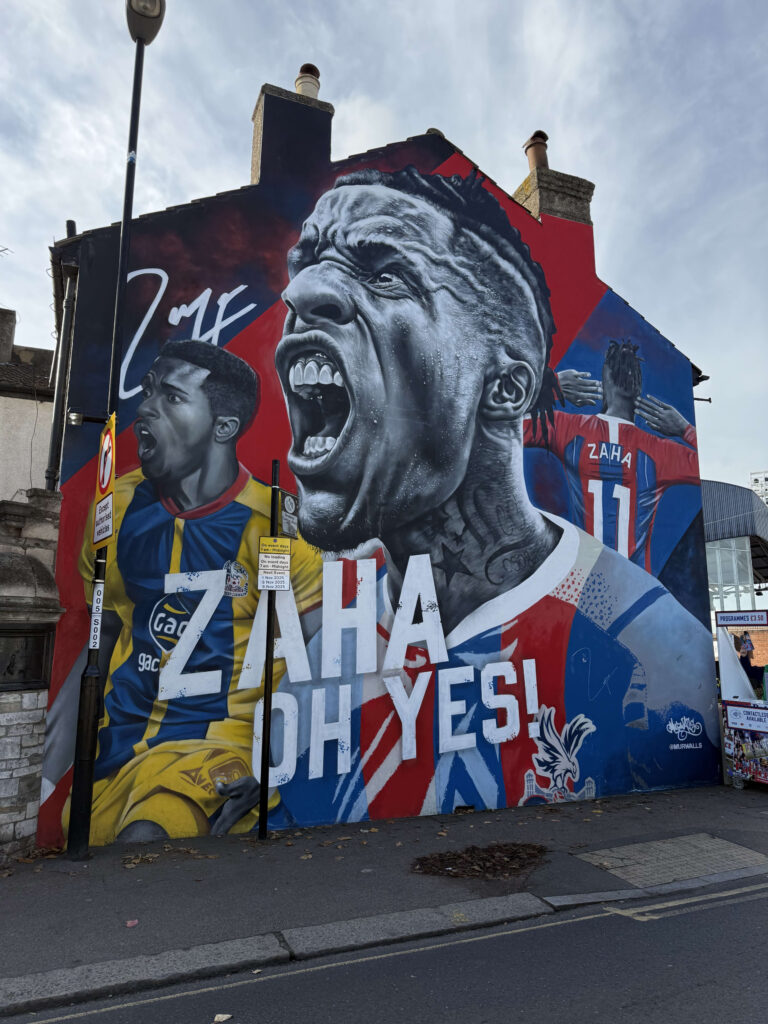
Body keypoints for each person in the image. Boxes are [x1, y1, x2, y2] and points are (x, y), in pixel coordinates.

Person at [221, 166, 719, 825]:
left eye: (386, 273)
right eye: (308, 262)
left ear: (505, 389)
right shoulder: (325, 650)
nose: (303, 290)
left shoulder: (651, 658)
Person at [67, 340, 321, 843]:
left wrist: (277, 761)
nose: (146, 408)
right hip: (117, 750)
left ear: (223, 427)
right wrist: (62, 757)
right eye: (148, 390)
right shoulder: (116, 508)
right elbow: (104, 631)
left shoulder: (276, 526)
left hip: (219, 750)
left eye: (172, 397)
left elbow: (324, 659)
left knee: (147, 836)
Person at [524, 340, 700, 569]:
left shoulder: (568, 430)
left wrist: (550, 387)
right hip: (637, 586)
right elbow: (701, 465)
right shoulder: (660, 452)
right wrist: (685, 429)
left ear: (604, 382)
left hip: (585, 580)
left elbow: (497, 426)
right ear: (638, 388)